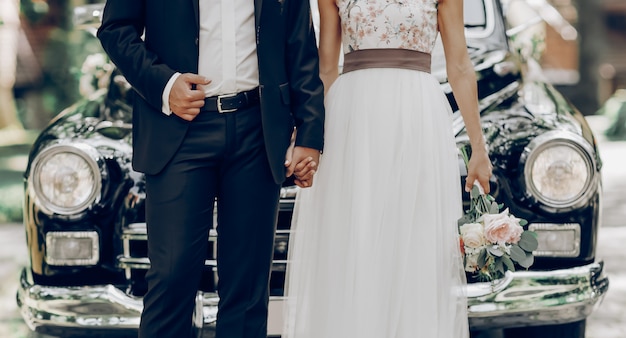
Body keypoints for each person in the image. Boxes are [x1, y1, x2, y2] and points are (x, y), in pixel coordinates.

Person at [97, 1, 325, 337]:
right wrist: (164, 84)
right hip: (179, 128)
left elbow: (300, 43)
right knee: (172, 275)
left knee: (248, 286)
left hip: (257, 129)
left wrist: (309, 133)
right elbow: (115, 29)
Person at [283, 0, 492, 337]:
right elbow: (325, 69)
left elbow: (460, 66)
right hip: (353, 120)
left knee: (417, 239)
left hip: (417, 116)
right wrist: (308, 135)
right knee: (355, 236)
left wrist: (478, 149)